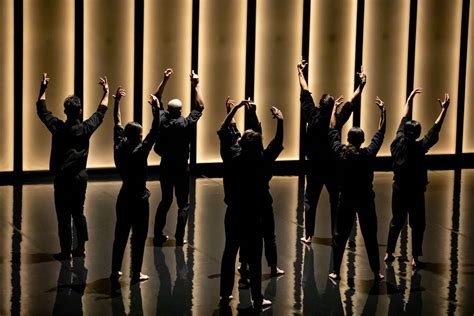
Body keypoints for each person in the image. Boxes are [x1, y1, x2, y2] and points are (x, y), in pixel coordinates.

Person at [218, 100, 284, 311]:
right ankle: (256, 299)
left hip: (234, 213)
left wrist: (234, 111)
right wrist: (281, 121)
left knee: (229, 252)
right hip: (254, 215)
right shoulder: (263, 160)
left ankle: (225, 294)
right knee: (255, 258)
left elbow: (222, 131)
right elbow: (277, 142)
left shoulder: (232, 158)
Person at [36, 73, 109, 260]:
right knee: (79, 213)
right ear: (80, 111)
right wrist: (106, 92)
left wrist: (43, 89)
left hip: (62, 179)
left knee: (63, 216)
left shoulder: (58, 128)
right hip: (79, 177)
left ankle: (66, 251)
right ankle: (81, 248)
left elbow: (42, 110)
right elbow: (101, 112)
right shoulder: (85, 129)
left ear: (65, 111)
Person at [297, 59, 367, 244]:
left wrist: (299, 71)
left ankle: (308, 235)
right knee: (335, 200)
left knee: (310, 200)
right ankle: (337, 232)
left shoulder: (312, 115)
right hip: (332, 168)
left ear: (319, 104)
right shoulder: (335, 121)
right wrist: (361, 86)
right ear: (332, 107)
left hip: (313, 166)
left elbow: (305, 91)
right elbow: (351, 103)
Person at [384, 88, 450, 268]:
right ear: (418, 134)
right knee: (418, 224)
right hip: (415, 192)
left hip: (398, 188)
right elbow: (434, 130)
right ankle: (415, 257)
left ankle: (389, 252)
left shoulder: (397, 141)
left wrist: (410, 98)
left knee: (396, 221)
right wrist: (444, 110)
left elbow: (404, 118)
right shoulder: (419, 149)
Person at [328, 96, 386, 281]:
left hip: (346, 199)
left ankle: (336, 271)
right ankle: (376, 272)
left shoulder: (340, 152)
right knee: (370, 236)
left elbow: (332, 130)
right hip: (365, 199)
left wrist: (334, 110)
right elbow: (381, 132)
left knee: (340, 236)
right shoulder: (368, 154)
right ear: (362, 140)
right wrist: (383, 111)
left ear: (348, 138)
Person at [110, 87, 160, 283]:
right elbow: (155, 131)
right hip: (139, 199)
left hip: (124, 196)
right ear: (138, 137)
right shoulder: (140, 151)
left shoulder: (119, 147)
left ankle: (115, 271)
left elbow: (117, 122)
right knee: (138, 238)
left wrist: (117, 103)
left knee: (120, 236)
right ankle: (136, 272)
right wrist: (156, 109)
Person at [153, 69, 205, 246]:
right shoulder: (186, 123)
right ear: (181, 110)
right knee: (183, 203)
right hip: (182, 167)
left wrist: (164, 79)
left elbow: (155, 98)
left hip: (166, 166)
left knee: (165, 200)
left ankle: (158, 234)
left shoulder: (161, 120)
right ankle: (179, 236)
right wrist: (195, 85)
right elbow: (200, 107)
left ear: (167, 110)